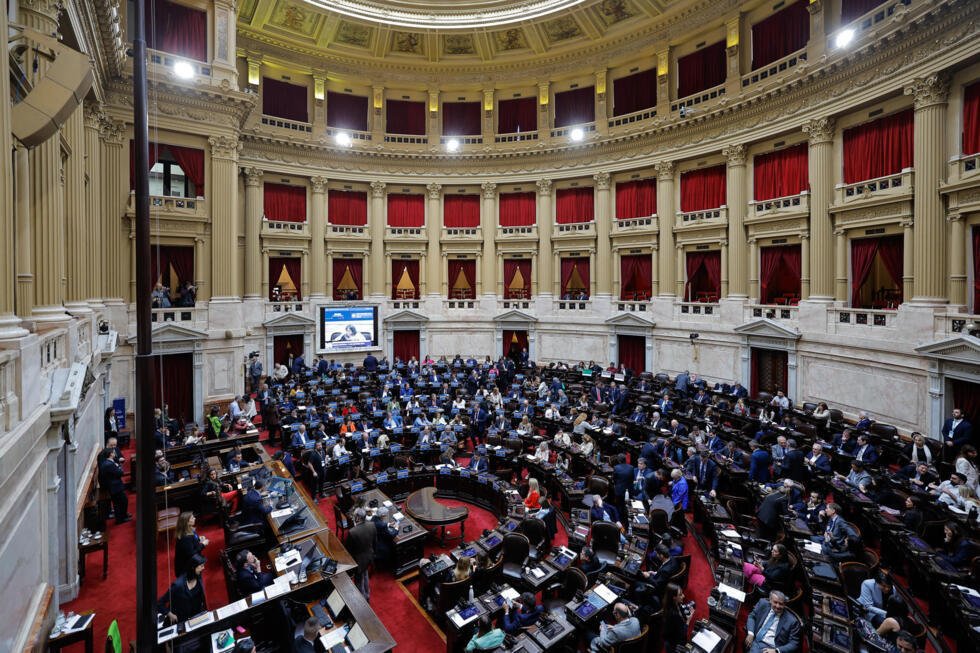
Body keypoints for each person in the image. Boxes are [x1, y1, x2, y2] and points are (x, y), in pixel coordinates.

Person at [158, 554, 207, 624]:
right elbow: (159, 604)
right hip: (180, 621)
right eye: (201, 566)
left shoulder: (199, 576)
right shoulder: (178, 585)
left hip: (196, 618)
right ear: (193, 567)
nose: (204, 568)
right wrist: (170, 615)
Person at [347, 508, 377, 599]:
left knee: (359, 580)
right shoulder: (372, 525)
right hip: (369, 556)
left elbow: (349, 550)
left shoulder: (352, 532)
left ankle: (363, 599)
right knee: (365, 574)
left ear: (357, 518)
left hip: (358, 561)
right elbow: (375, 542)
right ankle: (367, 593)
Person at [98, 447, 130, 524]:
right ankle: (121, 519)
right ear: (110, 454)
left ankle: (123, 516)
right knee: (121, 502)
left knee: (120, 502)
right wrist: (118, 466)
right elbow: (120, 473)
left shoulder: (108, 462)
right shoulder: (108, 464)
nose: (115, 453)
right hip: (115, 487)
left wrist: (117, 465)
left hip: (115, 486)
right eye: (113, 452)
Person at [174, 512, 208, 577]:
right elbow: (191, 553)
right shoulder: (185, 537)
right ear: (186, 522)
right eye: (192, 518)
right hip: (187, 569)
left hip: (192, 564)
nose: (195, 518)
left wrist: (199, 539)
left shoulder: (190, 529)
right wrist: (203, 544)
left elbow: (193, 539)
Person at [662, 584, 692, 653]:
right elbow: (681, 634)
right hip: (674, 645)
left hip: (674, 637)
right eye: (680, 595)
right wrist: (688, 621)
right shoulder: (673, 615)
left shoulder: (676, 604)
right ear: (674, 597)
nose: (683, 596)